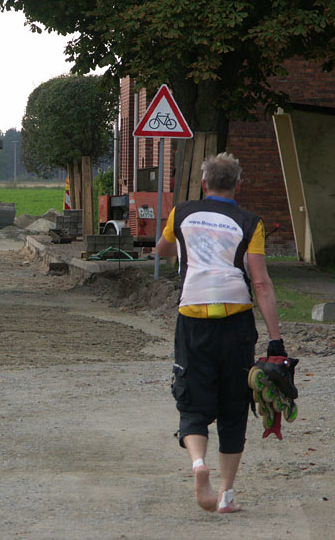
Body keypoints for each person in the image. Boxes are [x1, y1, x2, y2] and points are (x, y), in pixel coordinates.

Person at [156, 152, 285, 514]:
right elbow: (260, 282)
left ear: (204, 184)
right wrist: (275, 340)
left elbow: (161, 249)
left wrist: (174, 243)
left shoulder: (181, 214)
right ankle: (226, 495)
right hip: (236, 322)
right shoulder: (249, 222)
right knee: (233, 406)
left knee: (192, 400)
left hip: (193, 318)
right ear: (238, 186)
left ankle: (199, 464)